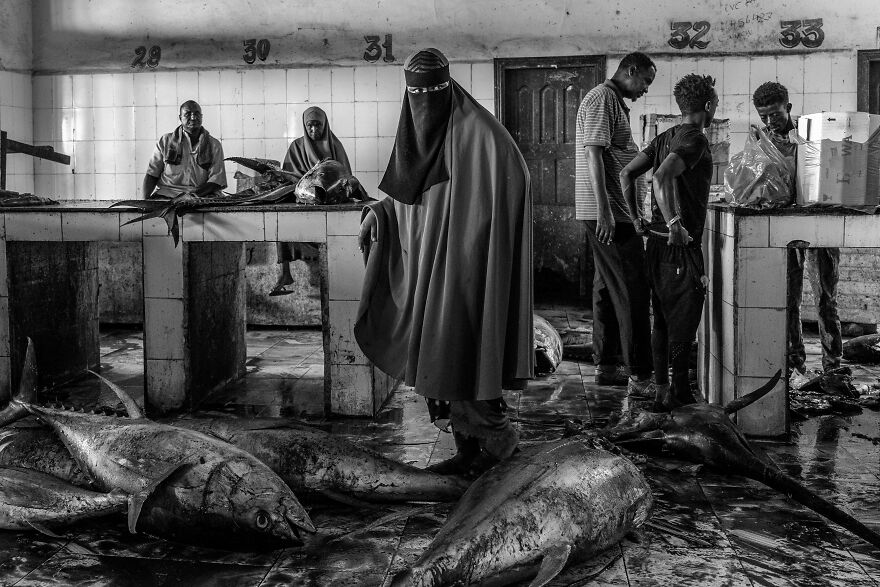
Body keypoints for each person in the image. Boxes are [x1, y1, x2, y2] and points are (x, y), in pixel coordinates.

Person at [355, 48, 533, 478]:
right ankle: (467, 449)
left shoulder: (483, 134)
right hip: (430, 266)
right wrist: (378, 213)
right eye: (415, 93)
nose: (423, 101)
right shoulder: (416, 133)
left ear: (449, 86)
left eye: (431, 91)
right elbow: (408, 198)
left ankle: (497, 442)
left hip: (471, 268)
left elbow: (515, 182)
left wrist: (477, 242)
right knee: (442, 359)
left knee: (466, 351)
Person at [620, 73, 718, 410]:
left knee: (661, 319)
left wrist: (636, 219)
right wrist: (675, 222)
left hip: (656, 246)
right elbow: (661, 177)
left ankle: (662, 390)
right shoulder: (695, 139)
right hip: (678, 247)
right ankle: (679, 394)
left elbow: (626, 174)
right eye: (715, 101)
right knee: (683, 323)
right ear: (708, 105)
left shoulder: (666, 136)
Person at [574, 52, 656, 395]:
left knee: (607, 288)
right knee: (632, 290)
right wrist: (606, 211)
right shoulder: (601, 98)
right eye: (645, 82)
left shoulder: (612, 101)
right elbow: (593, 153)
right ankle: (640, 374)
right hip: (611, 215)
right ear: (630, 71)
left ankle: (607, 365)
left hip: (609, 212)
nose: (645, 90)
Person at [751, 81, 842, 374]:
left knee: (825, 298)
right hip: (784, 230)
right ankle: (794, 362)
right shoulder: (762, 140)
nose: (769, 121)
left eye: (774, 114)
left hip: (818, 226)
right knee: (788, 299)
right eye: (763, 116)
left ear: (788, 108)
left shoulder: (810, 133)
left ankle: (833, 366)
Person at [271, 107, 362, 296]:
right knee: (283, 224)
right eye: (309, 126)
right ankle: (285, 273)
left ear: (325, 124)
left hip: (330, 200)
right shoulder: (296, 147)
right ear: (304, 127)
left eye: (317, 125)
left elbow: (345, 177)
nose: (314, 130)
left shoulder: (334, 146)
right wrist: (305, 185)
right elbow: (289, 177)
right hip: (303, 200)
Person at [143, 100, 226, 203]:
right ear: (180, 118)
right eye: (187, 114)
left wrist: (192, 196)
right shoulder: (165, 141)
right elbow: (152, 174)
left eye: (197, 114)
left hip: (201, 195)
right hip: (167, 194)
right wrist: (144, 202)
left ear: (201, 117)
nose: (193, 117)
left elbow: (216, 181)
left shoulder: (214, 144)